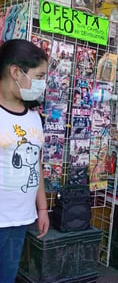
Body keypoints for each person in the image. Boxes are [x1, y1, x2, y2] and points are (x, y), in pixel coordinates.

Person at [0, 39, 50, 283]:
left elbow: (37, 165)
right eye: (39, 75)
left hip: (20, 219)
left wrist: (41, 208)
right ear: (15, 72)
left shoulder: (33, 117)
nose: (42, 84)